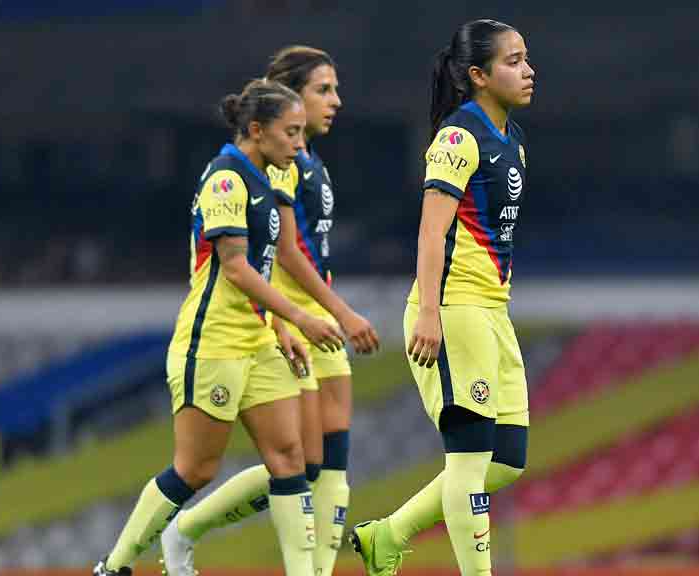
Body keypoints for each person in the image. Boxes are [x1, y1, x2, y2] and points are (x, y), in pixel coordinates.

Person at [92, 78, 344, 576]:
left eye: (300, 132)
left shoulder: (264, 180)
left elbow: (262, 270)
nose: (299, 142)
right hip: (213, 345)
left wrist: (278, 326)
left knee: (292, 459)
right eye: (290, 132)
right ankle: (116, 565)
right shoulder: (227, 179)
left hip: (256, 342)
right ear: (257, 129)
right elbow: (234, 267)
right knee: (196, 469)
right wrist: (300, 316)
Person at [159, 47, 380, 576]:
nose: (335, 102)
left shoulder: (308, 162)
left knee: (331, 464)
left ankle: (315, 570)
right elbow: (284, 256)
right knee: (299, 465)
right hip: (292, 321)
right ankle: (185, 528)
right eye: (323, 90)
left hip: (316, 318)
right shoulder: (272, 167)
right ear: (290, 98)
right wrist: (316, 316)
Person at [350, 19, 535, 576]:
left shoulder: (515, 143)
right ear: (478, 75)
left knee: (507, 459)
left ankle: (389, 536)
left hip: (492, 313)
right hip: (453, 310)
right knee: (471, 460)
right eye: (513, 61)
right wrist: (429, 311)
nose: (528, 71)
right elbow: (432, 232)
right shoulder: (458, 138)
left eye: (527, 59)